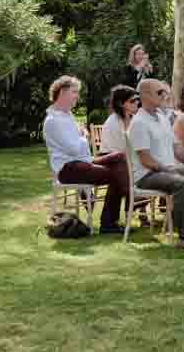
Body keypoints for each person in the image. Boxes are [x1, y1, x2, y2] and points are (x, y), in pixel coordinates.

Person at [43, 75, 128, 235]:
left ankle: (121, 212)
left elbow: (81, 151)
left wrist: (82, 136)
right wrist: (84, 136)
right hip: (68, 169)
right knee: (116, 174)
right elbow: (74, 149)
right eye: (75, 92)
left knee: (120, 157)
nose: (77, 96)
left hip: (82, 162)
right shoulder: (53, 120)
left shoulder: (67, 116)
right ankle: (110, 222)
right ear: (62, 92)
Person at [129, 78, 184, 245]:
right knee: (180, 183)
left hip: (166, 170)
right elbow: (146, 160)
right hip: (147, 175)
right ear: (145, 95)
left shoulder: (161, 117)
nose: (165, 95)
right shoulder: (139, 122)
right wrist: (170, 171)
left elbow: (177, 150)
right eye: (160, 92)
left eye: (165, 92)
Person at [100, 85, 138, 157]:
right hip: (116, 161)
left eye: (137, 99)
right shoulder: (112, 123)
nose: (136, 102)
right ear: (120, 103)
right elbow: (117, 151)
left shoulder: (135, 119)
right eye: (132, 101)